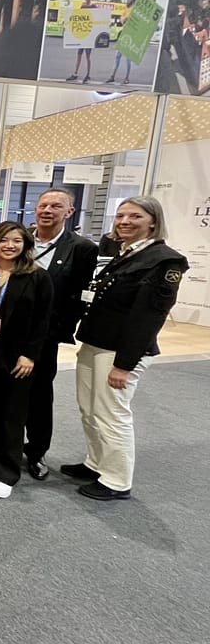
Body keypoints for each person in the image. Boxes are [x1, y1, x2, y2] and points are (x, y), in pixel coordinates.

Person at [62, 197, 188, 501]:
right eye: (120, 216)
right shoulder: (127, 253)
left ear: (153, 221)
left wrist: (125, 364)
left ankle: (117, 480)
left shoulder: (164, 260)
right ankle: (96, 463)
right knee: (89, 409)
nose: (125, 221)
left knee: (112, 414)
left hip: (120, 353)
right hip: (95, 343)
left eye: (135, 216)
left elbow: (149, 317)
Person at [0, 222, 53, 499]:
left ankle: (6, 471)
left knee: (11, 413)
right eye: (4, 240)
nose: (9, 245)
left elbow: (43, 321)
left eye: (16, 240)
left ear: (25, 244)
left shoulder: (38, 276)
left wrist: (30, 355)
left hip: (18, 354)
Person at [24, 188, 97, 480]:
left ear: (69, 212)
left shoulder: (81, 248)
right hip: (6, 331)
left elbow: (80, 295)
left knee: (39, 395)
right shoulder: (20, 239)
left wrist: (57, 329)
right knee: (4, 391)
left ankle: (36, 451)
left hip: (45, 336)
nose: (47, 210)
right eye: (43, 205)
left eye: (56, 206)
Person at [107, 0, 138, 84]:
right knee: (117, 56)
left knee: (128, 58)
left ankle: (127, 78)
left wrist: (127, 18)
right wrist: (124, 19)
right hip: (124, 32)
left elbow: (135, 19)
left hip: (131, 34)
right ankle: (112, 76)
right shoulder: (127, 6)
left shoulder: (136, 7)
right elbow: (122, 18)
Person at [67, 0, 97, 83]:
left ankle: (88, 74)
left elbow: (97, 19)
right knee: (79, 54)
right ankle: (75, 73)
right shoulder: (83, 6)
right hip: (82, 34)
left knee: (88, 56)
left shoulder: (94, 6)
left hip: (89, 35)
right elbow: (78, 18)